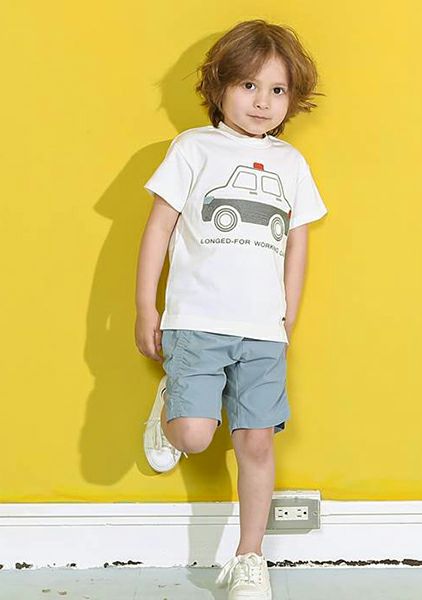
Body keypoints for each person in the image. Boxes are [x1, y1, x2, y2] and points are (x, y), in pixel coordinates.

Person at [135, 18, 329, 600]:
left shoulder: (290, 163)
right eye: (249, 85)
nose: (263, 102)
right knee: (194, 437)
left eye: (277, 89)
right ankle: (172, 399)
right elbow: (158, 228)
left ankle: (250, 557)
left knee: (258, 442)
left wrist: (289, 314)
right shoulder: (194, 149)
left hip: (262, 329)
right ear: (219, 85)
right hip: (195, 321)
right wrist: (146, 307)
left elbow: (297, 243)